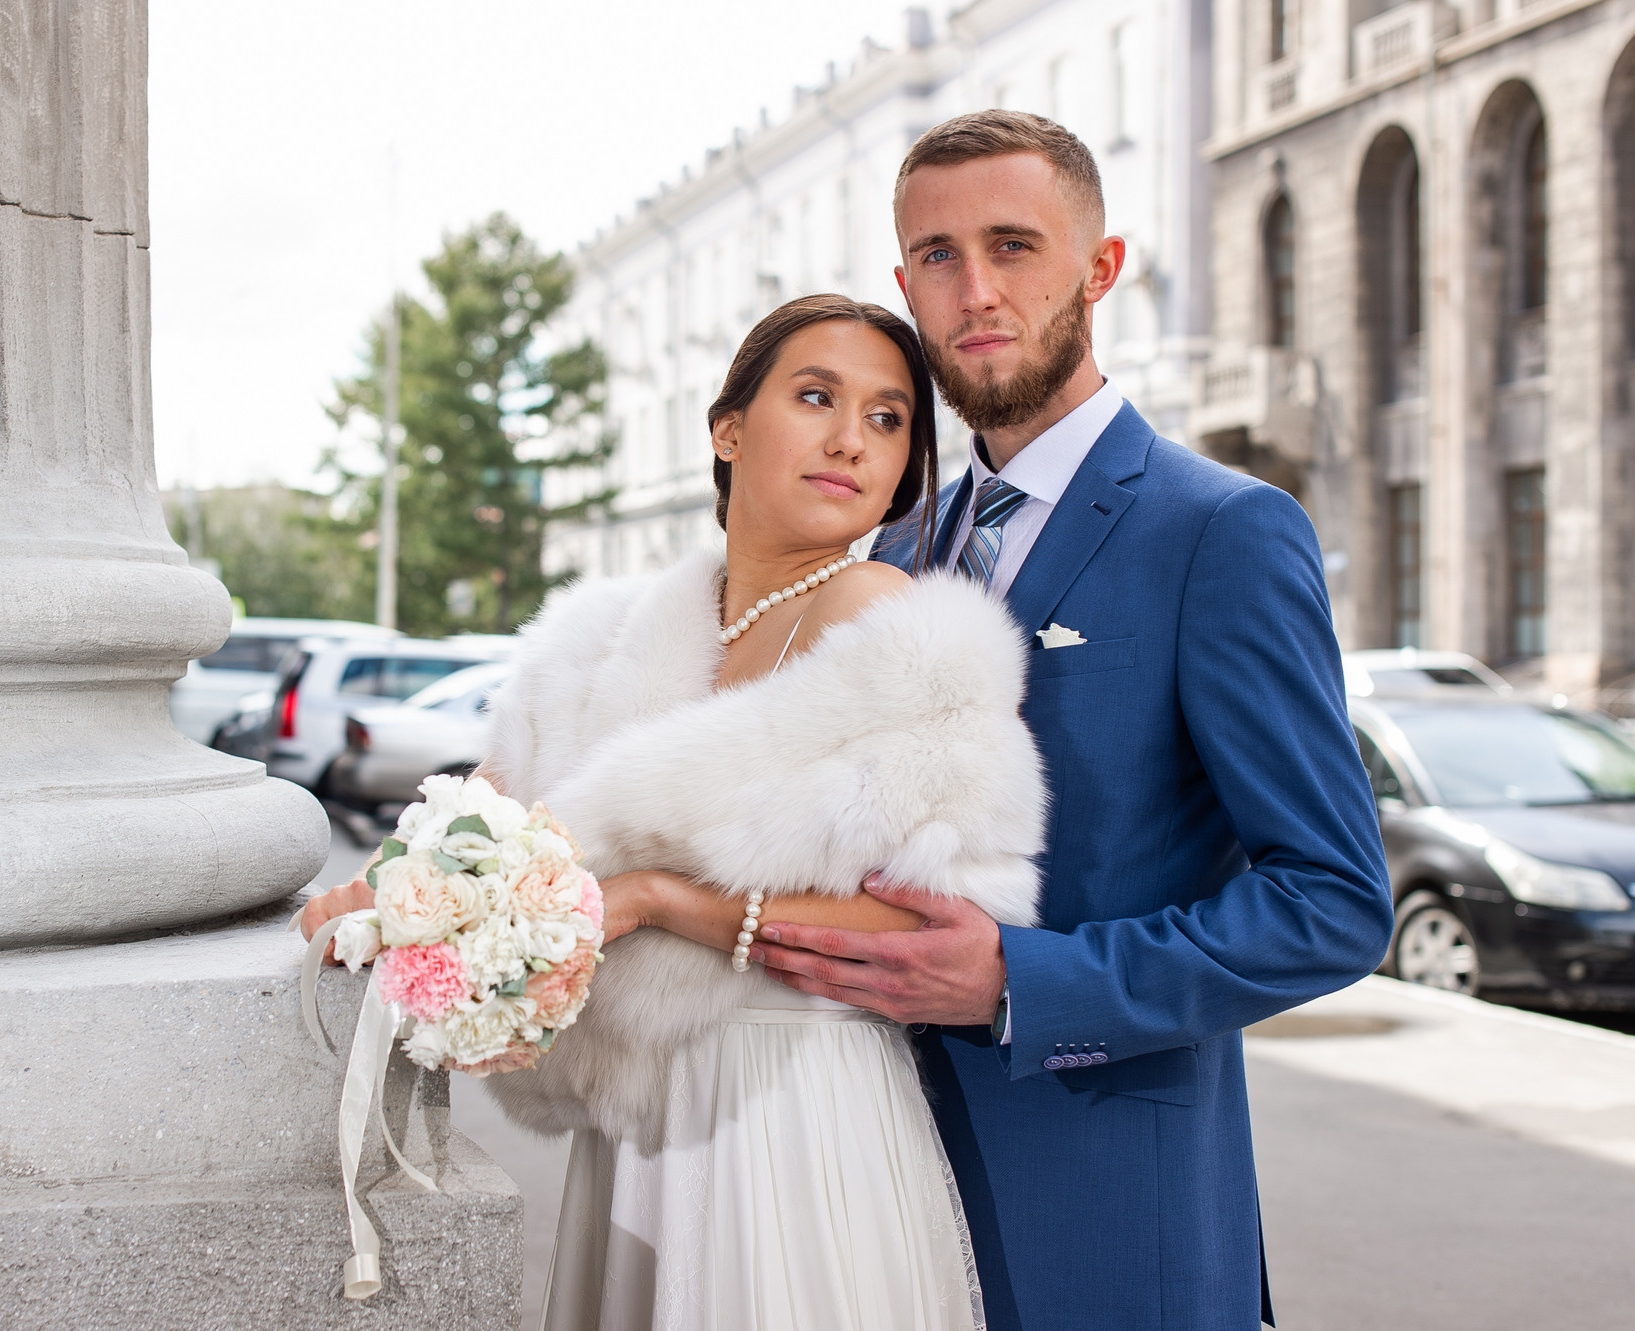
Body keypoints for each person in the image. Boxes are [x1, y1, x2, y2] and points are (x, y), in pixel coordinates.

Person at [753, 111, 1394, 1331]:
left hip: (1107, 1214)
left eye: (1012, 245)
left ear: (1099, 269)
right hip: (867, 1188)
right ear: (904, 286)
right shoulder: (889, 547)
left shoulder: (1220, 531)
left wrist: (1018, 980)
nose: (975, 289)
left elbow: (1330, 901)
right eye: (936, 256)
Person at [301, 292, 1046, 1330]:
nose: (850, 439)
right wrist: (384, 900)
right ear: (727, 427)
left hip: (792, 1105)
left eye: (887, 419)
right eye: (816, 395)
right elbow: (483, 825)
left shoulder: (885, 618)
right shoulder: (606, 632)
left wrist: (656, 898)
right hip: (635, 1126)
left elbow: (944, 919)